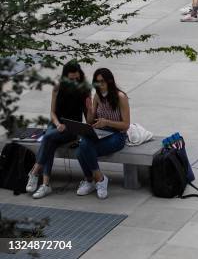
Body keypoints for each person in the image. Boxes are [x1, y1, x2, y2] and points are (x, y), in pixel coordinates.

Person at [25, 61, 92, 199]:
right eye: (71, 79)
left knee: (48, 138)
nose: (74, 81)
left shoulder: (84, 89)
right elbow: (52, 113)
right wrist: (57, 124)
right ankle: (45, 185)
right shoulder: (57, 87)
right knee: (50, 140)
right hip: (56, 125)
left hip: (72, 128)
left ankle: (35, 172)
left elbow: (88, 119)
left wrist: (90, 108)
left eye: (76, 78)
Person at [75, 68, 130, 199]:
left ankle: (91, 180)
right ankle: (98, 179)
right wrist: (89, 109)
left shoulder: (121, 97)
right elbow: (90, 121)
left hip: (118, 135)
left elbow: (126, 125)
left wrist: (107, 122)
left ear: (109, 81)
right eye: (97, 82)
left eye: (102, 82)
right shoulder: (97, 96)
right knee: (83, 145)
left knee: (82, 150)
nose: (100, 85)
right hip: (100, 132)